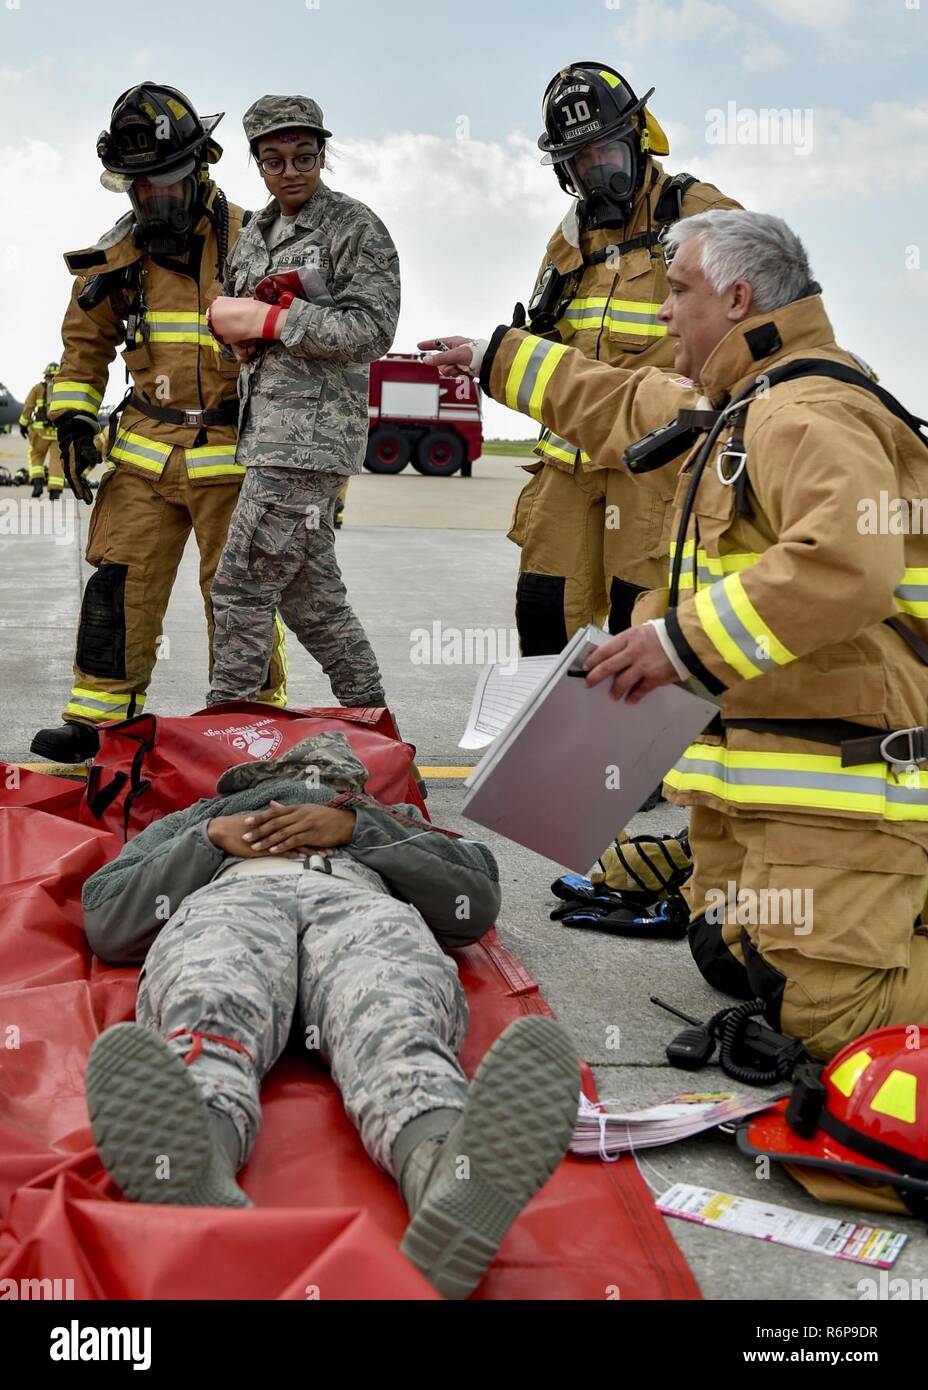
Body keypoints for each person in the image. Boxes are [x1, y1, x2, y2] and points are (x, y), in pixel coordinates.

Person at [423, 208, 928, 1060]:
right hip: (753, 793)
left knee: (830, 1023)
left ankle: (890, 909)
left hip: (840, 784)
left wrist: (674, 645)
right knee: (727, 957)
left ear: (736, 299)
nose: (663, 311)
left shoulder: (805, 411)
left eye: (679, 291)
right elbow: (617, 399)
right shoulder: (736, 404)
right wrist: (492, 358)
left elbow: (848, 559)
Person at [81, 731, 580, 1300]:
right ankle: (193, 1159)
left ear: (352, 787)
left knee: (391, 1007)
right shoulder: (204, 816)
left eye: (332, 782)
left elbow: (474, 901)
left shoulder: (381, 817)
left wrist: (358, 830)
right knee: (213, 992)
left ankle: (447, 1177)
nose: (313, 782)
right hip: (235, 898)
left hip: (357, 900)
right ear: (259, 781)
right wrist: (208, 840)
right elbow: (107, 917)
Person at [30, 83, 287, 765]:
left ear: (201, 166)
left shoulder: (255, 244)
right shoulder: (117, 257)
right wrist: (75, 420)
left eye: (164, 184)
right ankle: (97, 720)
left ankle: (249, 724)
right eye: (138, 188)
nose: (152, 200)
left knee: (240, 600)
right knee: (118, 582)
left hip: (236, 456)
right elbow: (84, 347)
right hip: (145, 456)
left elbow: (303, 348)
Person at [510, 63, 740, 658]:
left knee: (638, 621)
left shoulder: (701, 216)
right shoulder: (569, 238)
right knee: (542, 612)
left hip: (654, 457)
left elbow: (755, 318)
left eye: (605, 152)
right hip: (571, 456)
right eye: (579, 161)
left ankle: (636, 752)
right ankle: (555, 743)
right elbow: (549, 335)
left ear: (638, 138)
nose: (595, 172)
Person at [204, 95, 397, 710]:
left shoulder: (352, 226)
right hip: (268, 435)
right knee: (311, 598)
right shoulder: (253, 234)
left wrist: (274, 320)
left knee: (239, 586)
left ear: (322, 154)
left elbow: (371, 332)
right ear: (257, 163)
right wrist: (236, 334)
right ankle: (371, 715)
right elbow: (241, 317)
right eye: (274, 160)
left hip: (309, 439)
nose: (290, 171)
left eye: (304, 157)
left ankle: (229, 726)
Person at [19, 363, 65, 499]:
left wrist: (23, 424)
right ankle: (55, 491)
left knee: (36, 456)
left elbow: (28, 407)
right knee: (57, 460)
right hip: (58, 433)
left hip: (40, 432)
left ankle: (38, 484)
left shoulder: (37, 388)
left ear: (46, 375)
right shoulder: (63, 390)